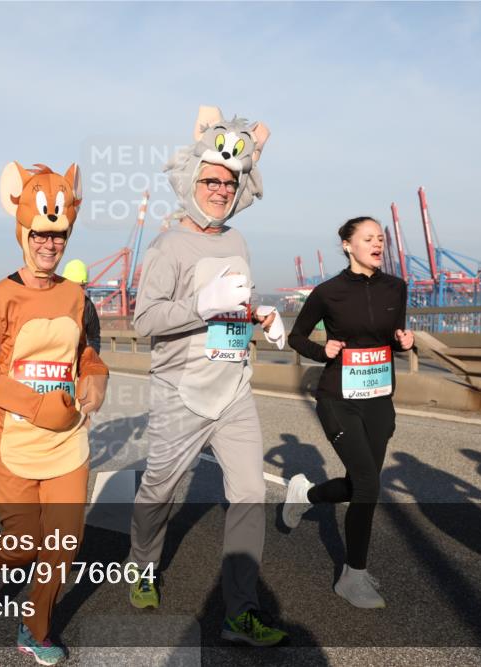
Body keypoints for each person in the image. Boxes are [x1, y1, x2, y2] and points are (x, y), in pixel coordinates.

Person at [127, 107, 288, 647]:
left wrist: (261, 315)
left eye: (229, 182)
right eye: (211, 181)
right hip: (181, 392)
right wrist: (201, 304)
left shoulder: (237, 241)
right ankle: (141, 565)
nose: (221, 190)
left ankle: (240, 612)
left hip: (234, 389)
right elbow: (145, 320)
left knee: (249, 493)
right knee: (160, 489)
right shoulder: (168, 245)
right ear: (192, 182)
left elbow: (235, 302)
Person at [0, 161, 108, 665]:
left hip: (67, 439)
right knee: (23, 542)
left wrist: (95, 377)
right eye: (41, 234)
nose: (50, 244)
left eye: (58, 235)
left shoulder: (76, 296)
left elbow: (86, 350)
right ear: (23, 230)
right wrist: (36, 405)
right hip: (11, 441)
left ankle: (36, 627)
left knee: (64, 542)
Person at [284, 216, 414, 609]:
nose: (378, 244)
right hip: (337, 398)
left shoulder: (396, 287)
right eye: (369, 238)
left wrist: (404, 343)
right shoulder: (328, 292)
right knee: (369, 486)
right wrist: (321, 350)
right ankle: (353, 577)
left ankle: (306, 494)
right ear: (347, 245)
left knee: (361, 484)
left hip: (379, 400)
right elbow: (296, 336)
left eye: (381, 239)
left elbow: (394, 336)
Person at [62, 259, 101, 354]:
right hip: (56, 359)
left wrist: (90, 357)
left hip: (78, 358)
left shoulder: (87, 305)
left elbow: (94, 338)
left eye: (82, 286)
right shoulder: (53, 301)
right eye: (74, 285)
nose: (78, 290)